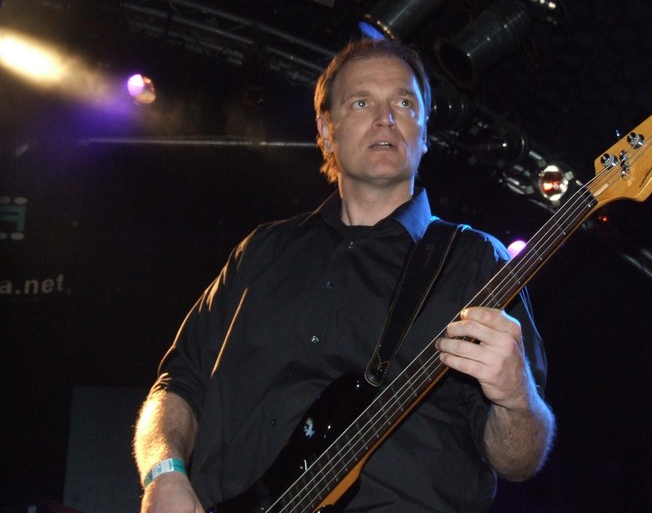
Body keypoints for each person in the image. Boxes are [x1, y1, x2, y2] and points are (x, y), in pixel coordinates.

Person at [133, 37, 555, 513]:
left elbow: (520, 459)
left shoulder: (476, 262)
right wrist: (163, 473)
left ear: (424, 132)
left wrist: (517, 398)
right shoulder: (261, 252)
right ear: (326, 130)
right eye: (361, 102)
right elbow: (177, 384)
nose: (386, 118)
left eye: (404, 103)